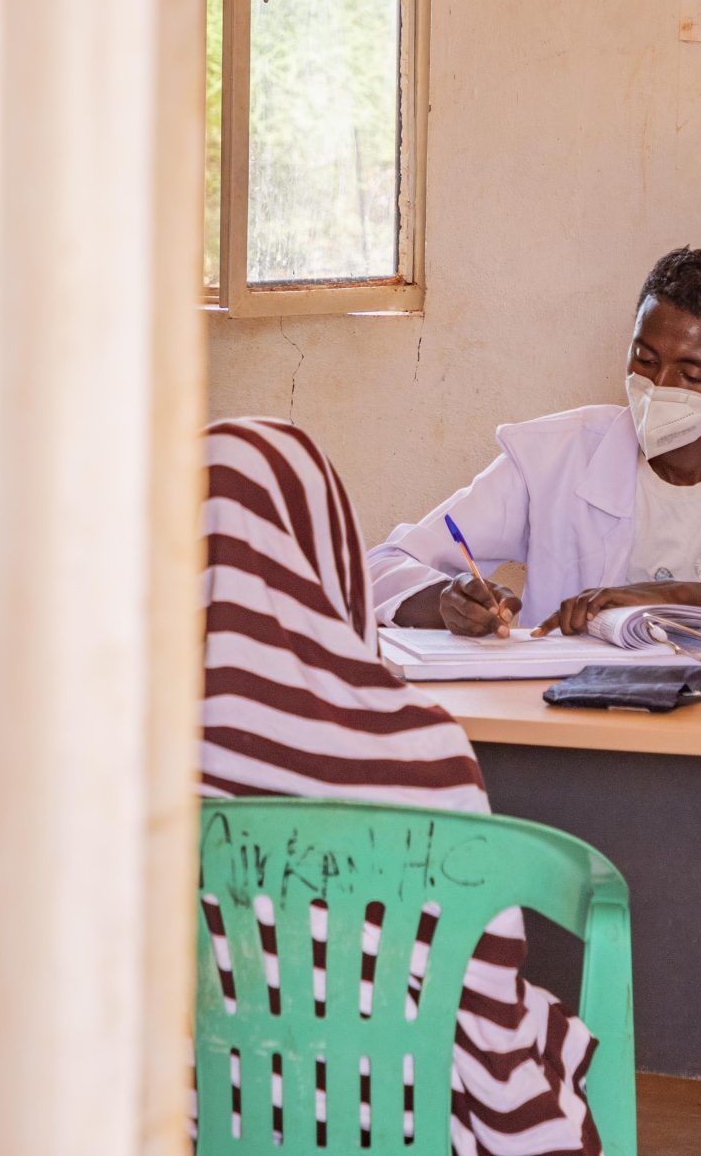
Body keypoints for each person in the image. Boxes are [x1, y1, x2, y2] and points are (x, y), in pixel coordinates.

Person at [201, 417, 603, 1156]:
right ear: (324, 557)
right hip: (393, 1116)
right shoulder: (421, 750)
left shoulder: (108, 766)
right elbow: (483, 997)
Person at [374, 246, 701, 645]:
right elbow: (382, 564)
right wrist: (446, 604)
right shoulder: (552, 455)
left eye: (691, 374)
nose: (659, 387)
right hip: (584, 725)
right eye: (645, 360)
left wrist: (676, 597)